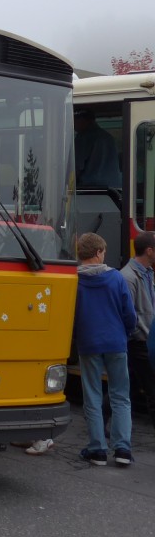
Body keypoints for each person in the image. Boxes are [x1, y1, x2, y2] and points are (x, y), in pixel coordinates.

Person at [73, 232, 137, 467]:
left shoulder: (75, 280)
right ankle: (122, 448)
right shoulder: (116, 279)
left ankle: (97, 449)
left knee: (92, 396)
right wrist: (126, 332)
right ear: (99, 252)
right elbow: (129, 313)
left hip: (89, 343)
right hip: (116, 342)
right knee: (121, 396)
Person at [119, 230, 155, 424]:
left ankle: (103, 416)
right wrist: (140, 334)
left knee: (129, 385)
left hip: (148, 339)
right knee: (151, 386)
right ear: (149, 251)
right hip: (140, 341)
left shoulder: (148, 273)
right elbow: (128, 313)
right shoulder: (128, 277)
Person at [74, 107, 122, 189]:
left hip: (91, 191)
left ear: (82, 119)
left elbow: (76, 167)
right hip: (113, 192)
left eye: (74, 120)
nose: (73, 124)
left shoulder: (83, 137)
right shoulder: (108, 137)